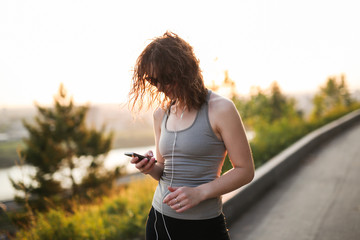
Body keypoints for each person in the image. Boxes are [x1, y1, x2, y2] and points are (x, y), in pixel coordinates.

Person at [128, 31, 254, 240]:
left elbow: (245, 171)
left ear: (185, 70)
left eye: (165, 79)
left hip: (204, 226)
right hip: (160, 222)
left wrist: (200, 193)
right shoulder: (161, 114)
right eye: (153, 80)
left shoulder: (221, 109)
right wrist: (149, 167)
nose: (159, 87)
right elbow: (163, 170)